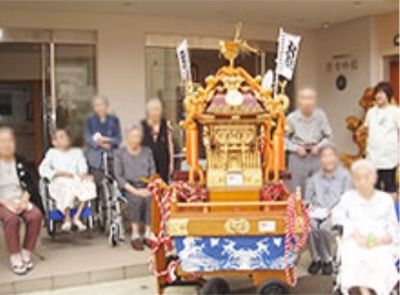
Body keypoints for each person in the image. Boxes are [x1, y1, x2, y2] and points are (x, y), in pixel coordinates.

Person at [332, 159, 398, 295]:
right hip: (355, 238)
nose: (362, 181)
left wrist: (385, 239)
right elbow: (337, 216)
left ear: (374, 177)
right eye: (358, 177)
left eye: (366, 176)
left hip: (380, 239)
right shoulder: (347, 197)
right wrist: (356, 235)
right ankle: (364, 289)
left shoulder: (385, 199)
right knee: (353, 253)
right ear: (353, 180)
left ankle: (378, 289)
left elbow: (393, 224)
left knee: (382, 255)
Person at [0, 127, 43, 275]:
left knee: (36, 215)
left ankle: (26, 252)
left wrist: (25, 198)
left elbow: (30, 184)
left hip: (19, 198)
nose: (7, 144)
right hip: (2, 201)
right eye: (3, 141)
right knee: (12, 219)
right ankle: (15, 256)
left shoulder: (20, 160)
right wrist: (6, 202)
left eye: (10, 141)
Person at [304, 144, 352, 275]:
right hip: (317, 212)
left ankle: (327, 260)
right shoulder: (314, 178)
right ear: (320, 160)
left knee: (324, 228)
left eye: (330, 156)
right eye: (324, 156)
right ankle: (316, 259)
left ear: (336, 158)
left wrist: (334, 210)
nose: (328, 159)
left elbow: (347, 199)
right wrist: (310, 206)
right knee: (309, 226)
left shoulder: (345, 176)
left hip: (336, 212)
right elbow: (307, 199)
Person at [39, 129, 97, 232]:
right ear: (54, 142)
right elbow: (43, 169)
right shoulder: (51, 153)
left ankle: (77, 217)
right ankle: (67, 218)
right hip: (59, 180)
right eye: (61, 137)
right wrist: (58, 173)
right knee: (66, 185)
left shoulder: (77, 152)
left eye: (66, 136)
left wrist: (84, 174)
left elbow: (82, 166)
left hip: (75, 178)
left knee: (89, 184)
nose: (65, 138)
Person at [114, 126, 156, 251]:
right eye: (132, 136)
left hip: (146, 185)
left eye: (138, 137)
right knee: (136, 199)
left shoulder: (147, 152)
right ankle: (135, 234)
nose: (135, 140)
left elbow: (153, 172)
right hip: (129, 187)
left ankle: (149, 234)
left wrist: (149, 187)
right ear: (127, 138)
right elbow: (119, 176)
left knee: (151, 198)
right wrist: (135, 190)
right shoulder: (119, 154)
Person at [286, 87, 333, 193]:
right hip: (298, 156)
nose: (307, 102)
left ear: (315, 101)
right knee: (296, 191)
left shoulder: (320, 116)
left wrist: (319, 146)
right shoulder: (292, 118)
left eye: (310, 98)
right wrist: (295, 148)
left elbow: (328, 137)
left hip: (316, 155)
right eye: (304, 98)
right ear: (299, 100)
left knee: (319, 189)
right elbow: (282, 140)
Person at [363, 81, 400, 197]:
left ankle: (391, 213)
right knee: (373, 188)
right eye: (377, 93)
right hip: (373, 158)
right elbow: (366, 130)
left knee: (390, 188)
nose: (379, 95)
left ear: (388, 95)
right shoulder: (371, 112)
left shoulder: (395, 111)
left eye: (382, 93)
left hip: (389, 158)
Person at [84, 95, 122, 183]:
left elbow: (118, 138)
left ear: (107, 106)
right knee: (96, 181)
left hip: (111, 153)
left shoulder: (114, 119)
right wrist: (99, 144)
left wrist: (109, 141)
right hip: (95, 155)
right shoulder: (90, 120)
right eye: (96, 105)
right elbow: (87, 137)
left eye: (101, 105)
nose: (99, 108)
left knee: (115, 179)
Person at [141, 98, 174, 183]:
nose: (155, 113)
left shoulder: (166, 124)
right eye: (152, 110)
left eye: (157, 109)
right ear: (148, 112)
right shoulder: (142, 126)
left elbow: (170, 145)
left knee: (163, 185)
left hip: (163, 161)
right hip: (147, 162)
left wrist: (171, 163)